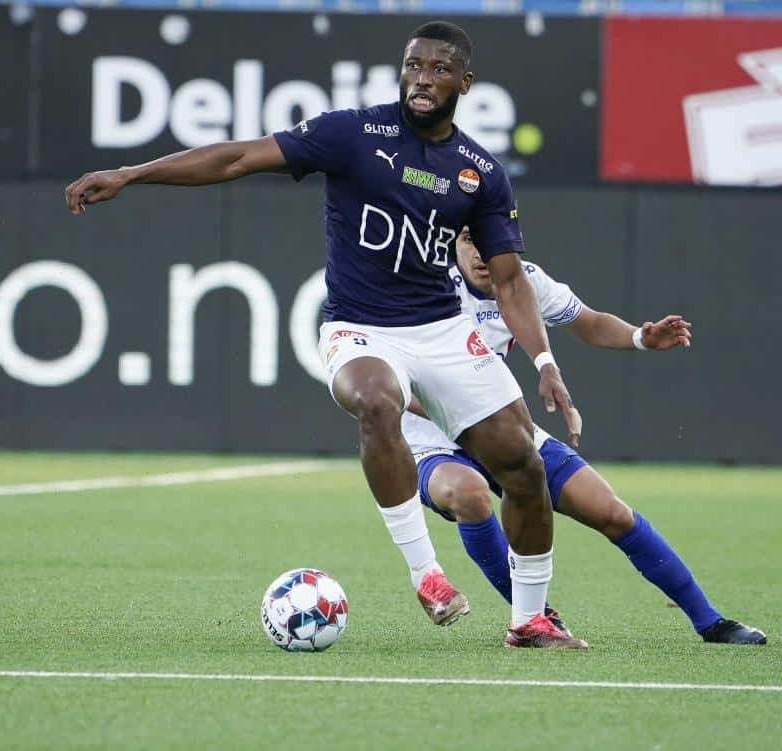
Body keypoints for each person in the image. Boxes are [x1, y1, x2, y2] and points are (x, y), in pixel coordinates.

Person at [65, 21, 587, 647]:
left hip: (442, 330)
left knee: (521, 462)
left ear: (465, 83)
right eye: (413, 65)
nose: (422, 78)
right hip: (360, 326)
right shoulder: (353, 134)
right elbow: (237, 157)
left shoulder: (480, 173)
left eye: (439, 69)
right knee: (376, 400)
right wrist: (131, 173)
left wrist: (545, 361)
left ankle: (528, 620)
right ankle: (426, 573)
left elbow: (508, 280)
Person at [402, 227, 766, 645]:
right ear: (452, 241)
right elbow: (398, 383)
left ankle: (710, 621)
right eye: (469, 239)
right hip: (433, 443)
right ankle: (537, 619)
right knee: (469, 494)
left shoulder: (525, 280)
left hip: (501, 429)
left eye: (490, 239)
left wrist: (640, 337)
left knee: (611, 511)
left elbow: (589, 322)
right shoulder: (428, 288)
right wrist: (463, 411)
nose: (481, 251)